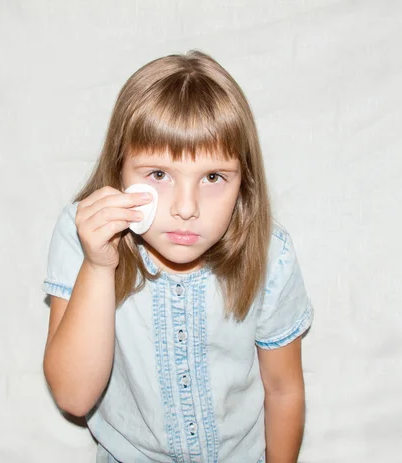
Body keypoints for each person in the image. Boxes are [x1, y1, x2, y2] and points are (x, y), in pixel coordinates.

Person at [42, 50, 314, 463]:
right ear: (119, 172)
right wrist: (99, 267)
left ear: (244, 183)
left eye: (212, 177)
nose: (186, 206)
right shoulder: (82, 234)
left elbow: (283, 389)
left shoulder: (268, 253)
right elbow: (73, 397)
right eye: (158, 174)